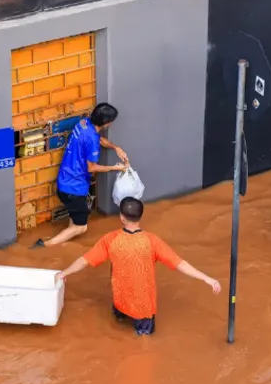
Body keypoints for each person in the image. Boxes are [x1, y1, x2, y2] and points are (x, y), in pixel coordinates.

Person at [54, 197, 221, 336]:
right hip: (143, 307)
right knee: (143, 344)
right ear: (140, 216)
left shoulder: (110, 240)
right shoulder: (152, 242)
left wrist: (63, 273)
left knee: (117, 328)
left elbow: (85, 260)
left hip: (120, 301)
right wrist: (207, 278)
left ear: (122, 217)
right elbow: (180, 263)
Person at [32, 102, 129, 248]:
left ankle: (65, 241)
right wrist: (115, 168)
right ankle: (45, 245)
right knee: (81, 227)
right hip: (74, 189)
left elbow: (99, 139)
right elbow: (92, 168)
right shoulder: (92, 140)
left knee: (75, 221)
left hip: (64, 181)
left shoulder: (83, 123)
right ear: (106, 123)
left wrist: (116, 147)